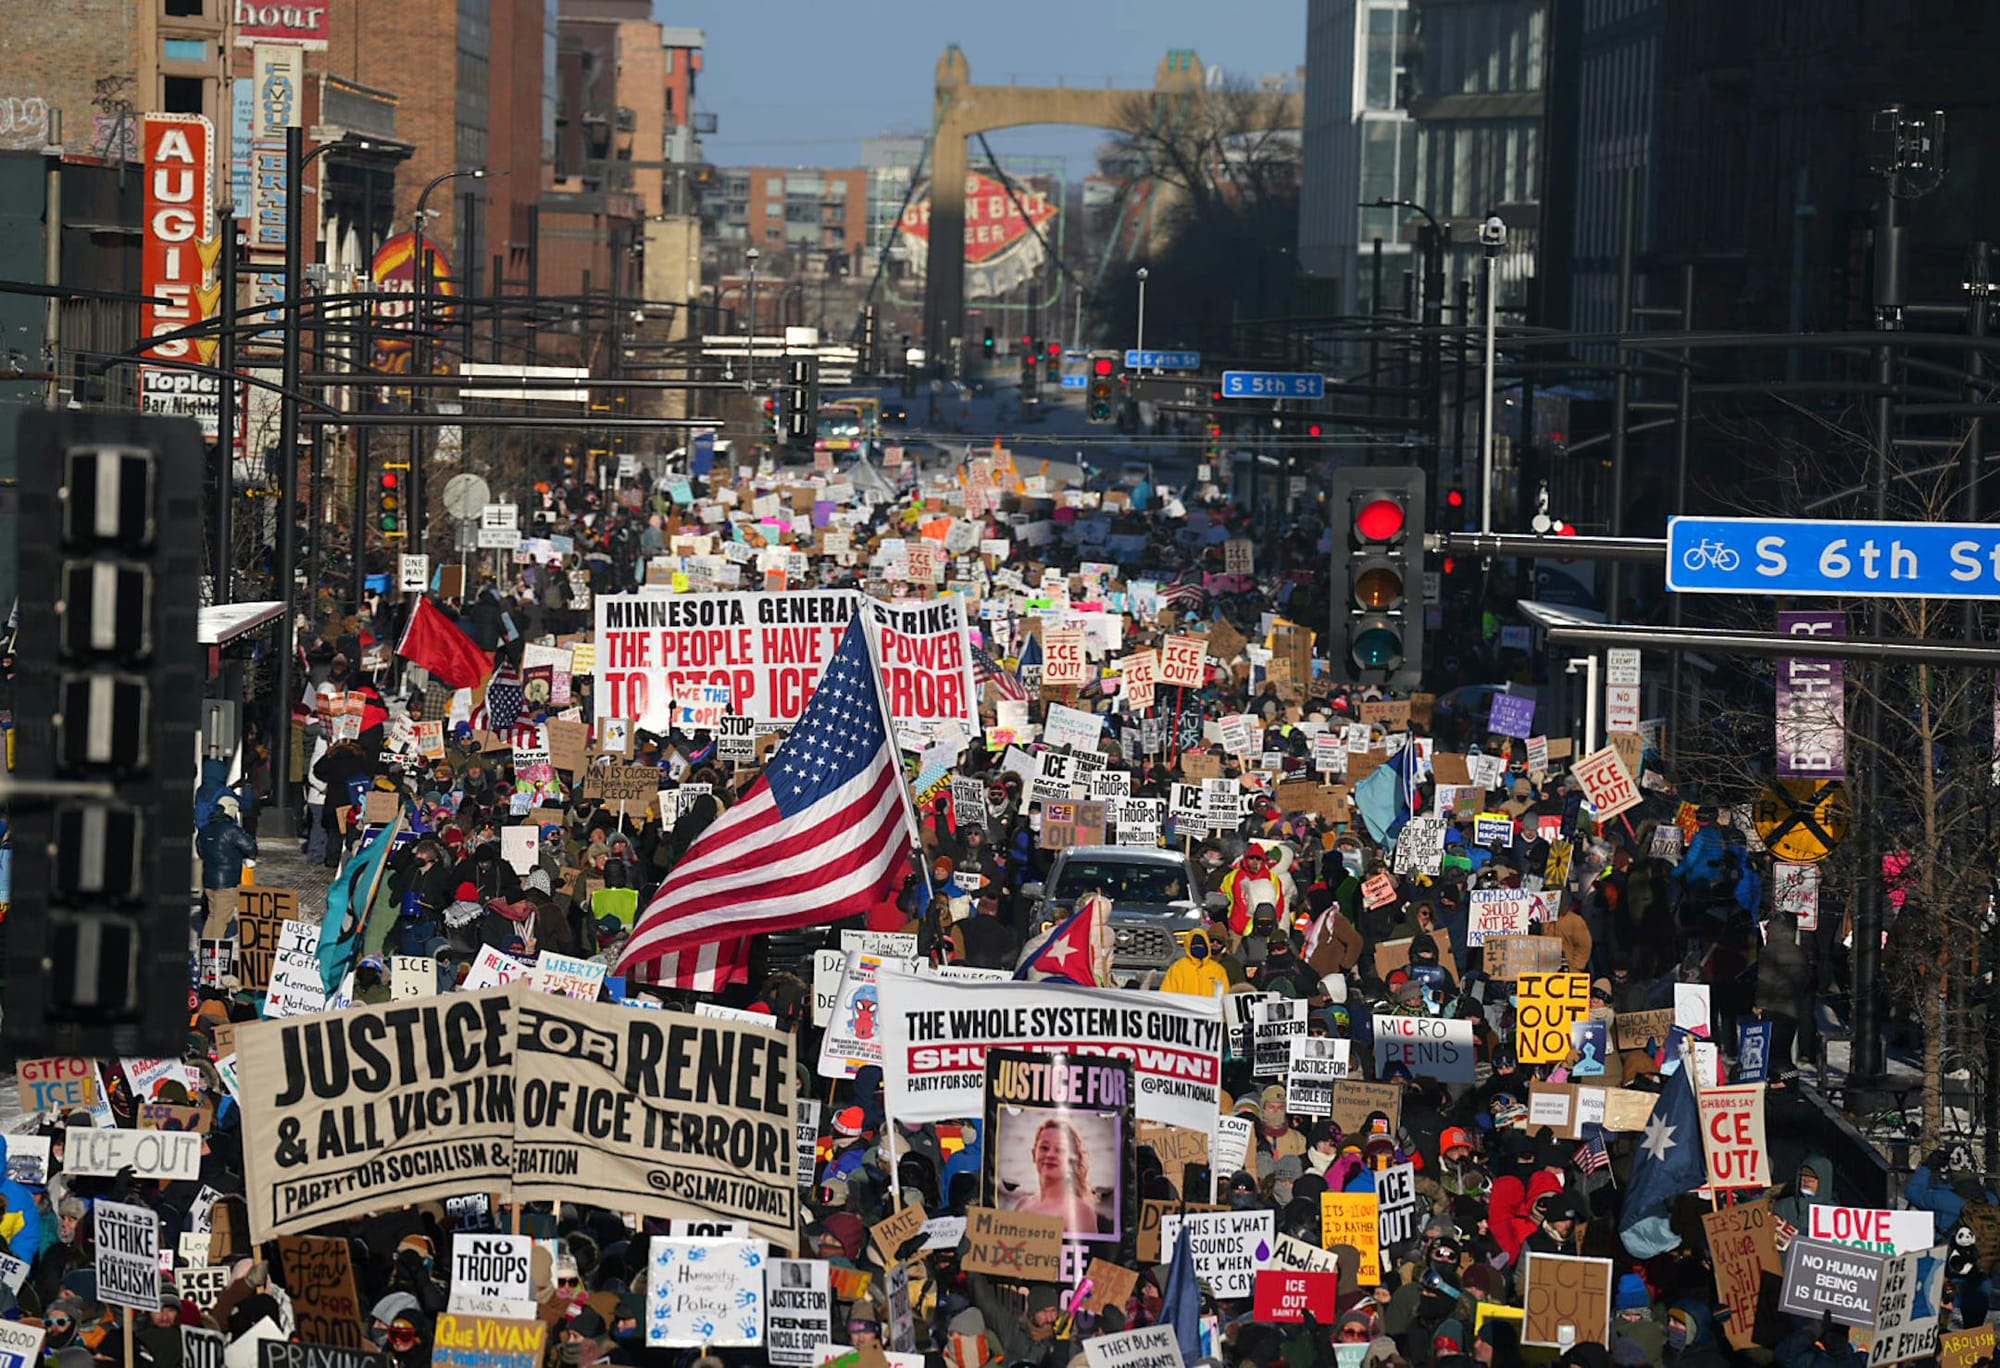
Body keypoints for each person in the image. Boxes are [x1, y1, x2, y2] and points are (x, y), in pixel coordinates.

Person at [1004, 1118, 1107, 1235]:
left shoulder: (1081, 1212)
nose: (1050, 1154)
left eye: (1060, 1150)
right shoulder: (1022, 1205)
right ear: (1034, 1154)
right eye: (1044, 1148)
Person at [1161, 927, 1229, 998]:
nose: (1198, 947)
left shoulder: (1218, 970)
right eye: (1195, 945)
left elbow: (1225, 996)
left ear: (1207, 945)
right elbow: (1166, 995)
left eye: (1201, 944)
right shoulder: (1177, 969)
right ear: (1188, 946)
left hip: (1209, 1008)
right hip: (1184, 1008)